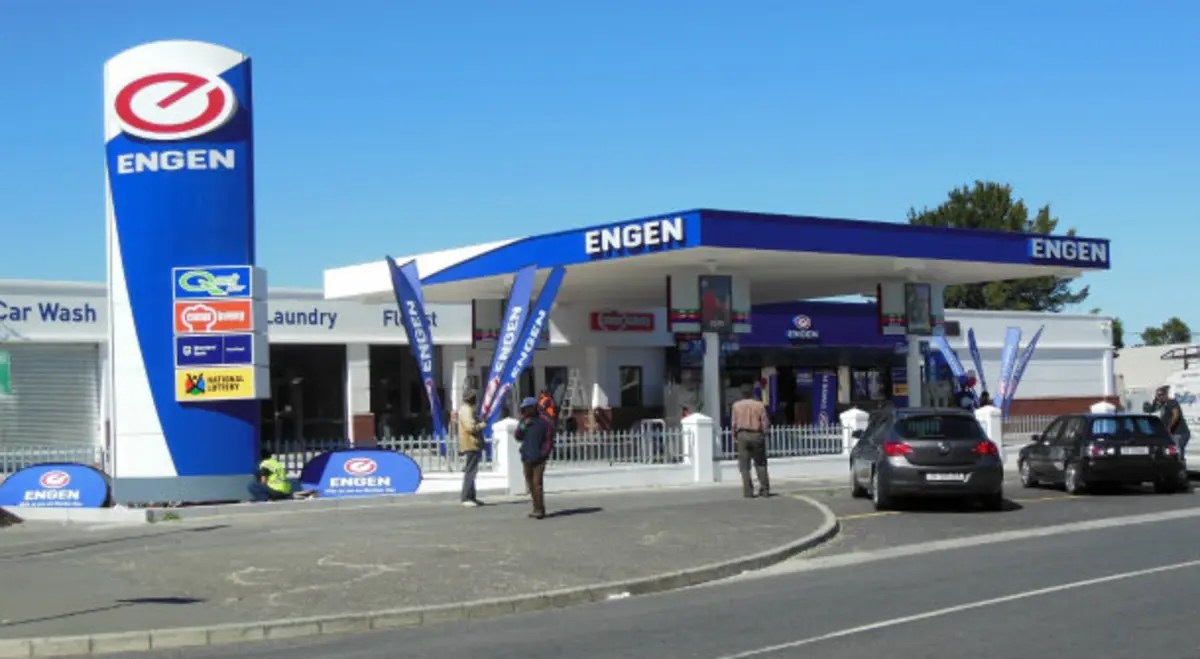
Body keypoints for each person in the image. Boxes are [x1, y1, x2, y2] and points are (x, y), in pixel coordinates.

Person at [514, 396, 554, 519]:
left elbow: (549, 440)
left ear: (534, 407)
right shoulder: (524, 421)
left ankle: (540, 509)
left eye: (527, 408)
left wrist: (543, 454)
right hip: (527, 457)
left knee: (537, 484)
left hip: (539, 459)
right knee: (530, 484)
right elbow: (518, 436)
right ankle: (535, 507)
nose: (525, 411)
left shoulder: (545, 421)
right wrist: (524, 426)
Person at [730, 384, 771, 498]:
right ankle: (764, 489)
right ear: (752, 393)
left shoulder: (736, 406)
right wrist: (764, 433)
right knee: (760, 463)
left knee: (744, 465)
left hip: (742, 435)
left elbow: (734, 423)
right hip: (757, 434)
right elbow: (765, 422)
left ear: (742, 394)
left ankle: (748, 491)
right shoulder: (759, 405)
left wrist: (734, 436)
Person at [458, 389, 486, 507]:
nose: (476, 400)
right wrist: (482, 424)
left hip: (472, 443)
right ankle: (466, 497)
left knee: (472, 471)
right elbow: (470, 428)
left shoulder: (469, 409)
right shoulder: (466, 410)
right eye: (474, 397)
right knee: (470, 472)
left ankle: (471, 497)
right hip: (470, 443)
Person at [1154, 386, 1190, 462]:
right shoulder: (1163, 405)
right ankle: (1177, 464)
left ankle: (1179, 466)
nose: (1159, 397)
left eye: (1161, 395)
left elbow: (1176, 415)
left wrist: (1169, 427)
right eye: (1158, 395)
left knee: (1176, 453)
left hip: (1178, 433)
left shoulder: (1171, 402)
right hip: (1173, 434)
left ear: (1166, 394)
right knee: (1173, 452)